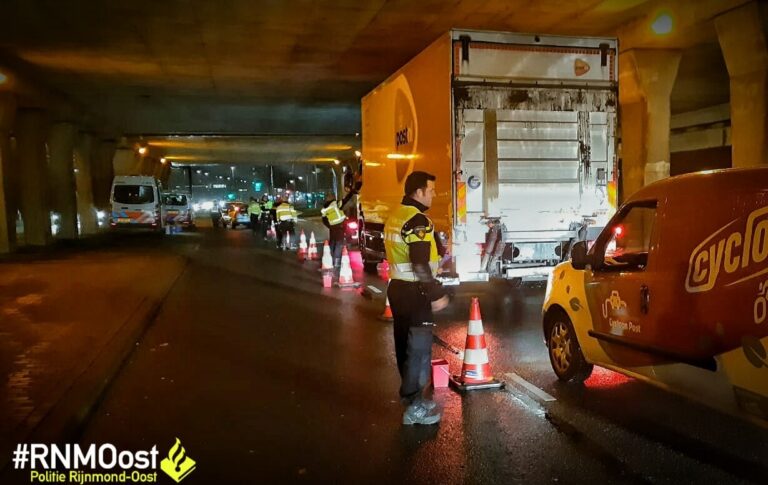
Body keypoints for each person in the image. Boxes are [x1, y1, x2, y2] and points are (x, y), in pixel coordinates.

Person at [384, 171, 450, 426]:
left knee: (405, 345)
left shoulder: (397, 215)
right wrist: (435, 293)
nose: (433, 195)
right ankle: (413, 406)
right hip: (415, 293)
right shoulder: (417, 221)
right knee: (418, 350)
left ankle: (414, 399)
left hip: (399, 289)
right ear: (419, 192)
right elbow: (420, 263)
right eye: (431, 190)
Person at [321, 181, 360, 268]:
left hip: (332, 228)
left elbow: (324, 220)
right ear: (332, 198)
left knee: (333, 243)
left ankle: (329, 260)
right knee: (339, 244)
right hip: (339, 227)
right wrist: (351, 193)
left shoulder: (324, 208)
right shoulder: (335, 204)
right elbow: (345, 200)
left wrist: (330, 226)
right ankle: (337, 261)